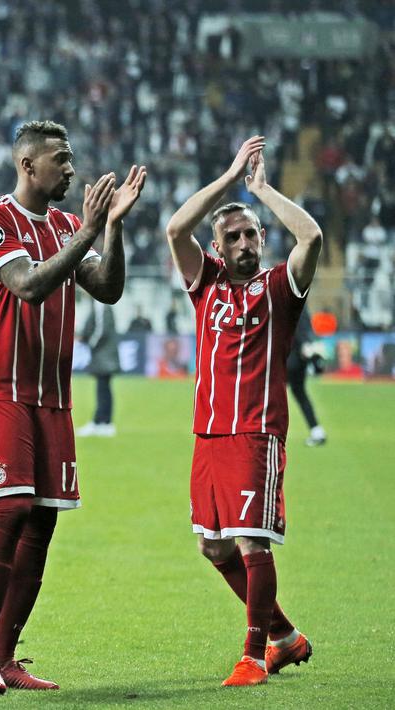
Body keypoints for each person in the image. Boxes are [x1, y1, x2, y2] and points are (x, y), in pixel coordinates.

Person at [0, 120, 145, 693]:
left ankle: (7, 656)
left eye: (71, 159)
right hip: (1, 387)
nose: (71, 168)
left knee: (42, 519)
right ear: (27, 166)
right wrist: (88, 232)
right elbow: (29, 285)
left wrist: (110, 229)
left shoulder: (68, 224)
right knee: (11, 509)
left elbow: (109, 289)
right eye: (60, 159)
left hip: (53, 397)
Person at [164, 135, 318, 686]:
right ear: (219, 247)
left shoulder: (280, 288)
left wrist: (261, 190)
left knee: (252, 541)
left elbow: (311, 235)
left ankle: (254, 656)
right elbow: (176, 229)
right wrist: (229, 180)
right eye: (234, 236)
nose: (246, 242)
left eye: (252, 233)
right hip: (208, 435)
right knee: (212, 545)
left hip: (256, 434)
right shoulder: (203, 283)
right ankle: (284, 636)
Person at [77, 301, 120, 437]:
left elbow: (101, 330)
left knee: (102, 389)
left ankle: (101, 422)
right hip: (105, 355)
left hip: (104, 356)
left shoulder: (101, 305)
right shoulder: (101, 306)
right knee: (104, 388)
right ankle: (103, 422)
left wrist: (90, 343)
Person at [287, 311, 327, 446]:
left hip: (290, 356)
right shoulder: (302, 305)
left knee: (271, 393)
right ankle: (317, 430)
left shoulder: (287, 301)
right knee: (300, 393)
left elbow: (298, 329)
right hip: (299, 357)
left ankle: (268, 431)